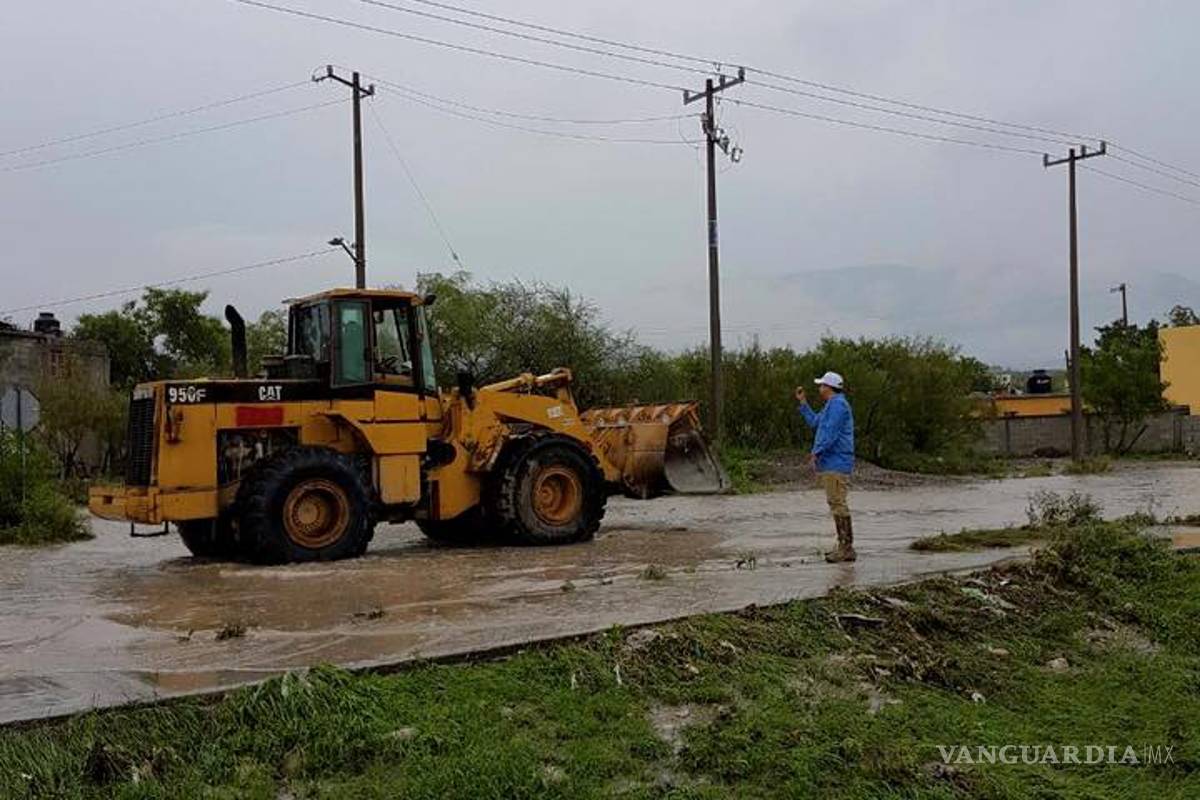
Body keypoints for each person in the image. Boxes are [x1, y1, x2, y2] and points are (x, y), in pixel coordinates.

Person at [795, 371, 857, 563]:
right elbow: (815, 422)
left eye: (822, 385)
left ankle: (846, 547)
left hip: (836, 462)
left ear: (829, 387)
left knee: (838, 502)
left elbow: (830, 433)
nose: (819, 388)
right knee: (835, 502)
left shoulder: (838, 406)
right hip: (831, 462)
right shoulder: (832, 405)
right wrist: (803, 403)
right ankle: (844, 546)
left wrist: (816, 451)